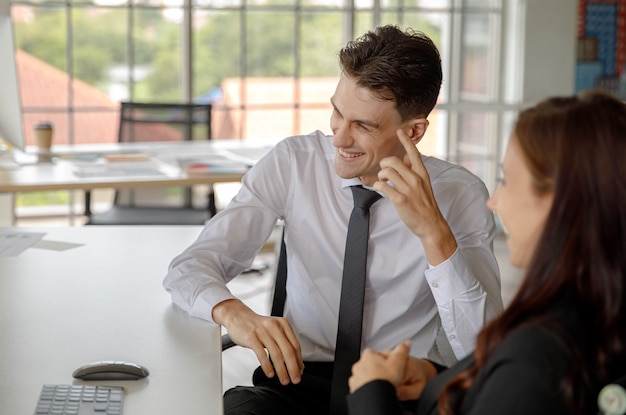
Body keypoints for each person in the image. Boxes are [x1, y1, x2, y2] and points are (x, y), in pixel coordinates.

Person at [163, 24, 502, 415]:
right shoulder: (294, 163)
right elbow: (188, 269)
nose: (339, 139)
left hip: (397, 389)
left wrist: (434, 234)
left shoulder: (460, 194)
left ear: (414, 130)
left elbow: (483, 352)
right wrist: (235, 314)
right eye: (338, 113)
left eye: (363, 126)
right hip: (294, 383)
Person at [347, 89, 626, 415]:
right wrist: (440, 382)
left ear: (559, 203)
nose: (494, 202)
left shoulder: (540, 354)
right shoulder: (600, 320)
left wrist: (372, 393)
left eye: (506, 181)